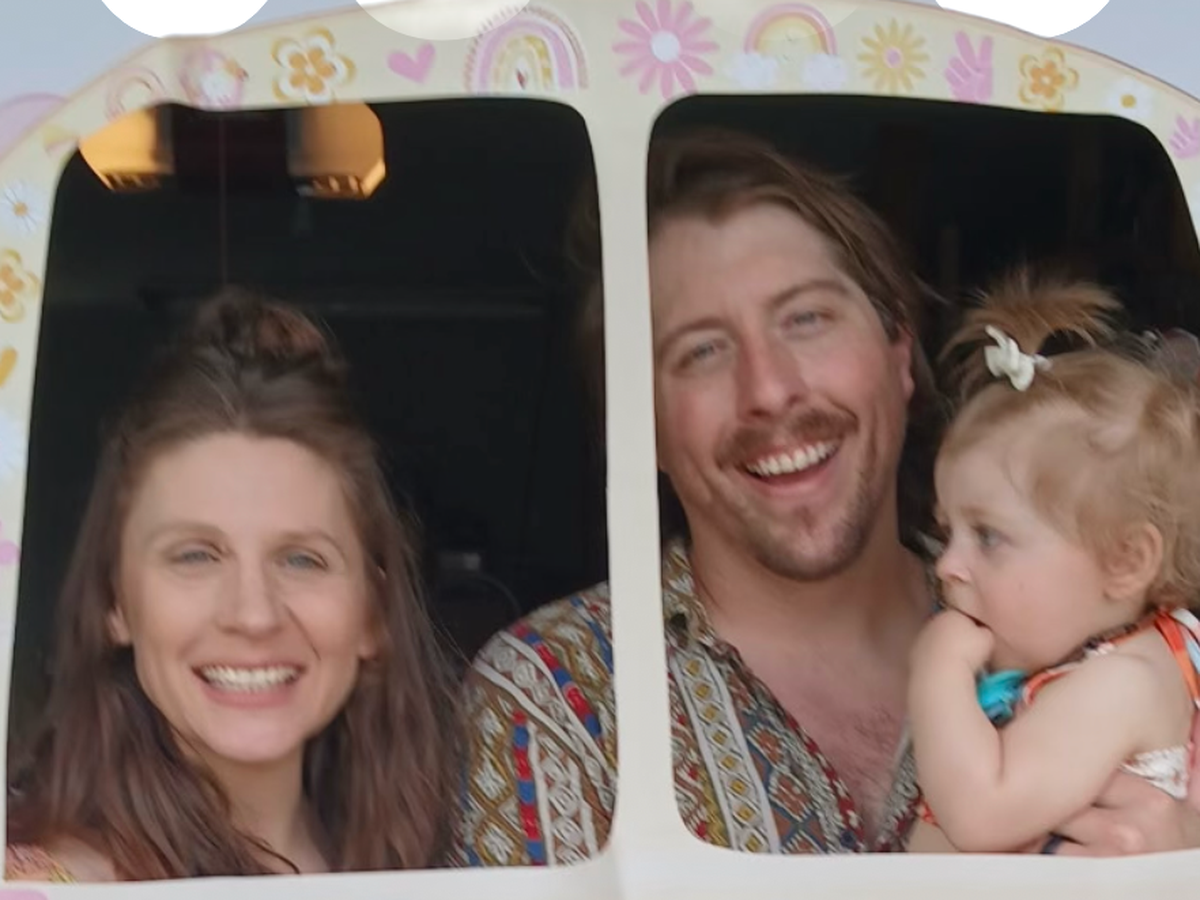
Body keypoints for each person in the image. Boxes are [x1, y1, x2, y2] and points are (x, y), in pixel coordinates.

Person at [451, 128, 1200, 863]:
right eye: (702, 350)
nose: (770, 389)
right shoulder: (554, 700)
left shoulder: (1116, 625)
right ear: (639, 424)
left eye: (806, 319)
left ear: (898, 352)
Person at [5, 288, 459, 881]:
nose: (253, 614)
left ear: (373, 612)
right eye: (196, 556)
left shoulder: (419, 870)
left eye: (302, 560)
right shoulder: (42, 887)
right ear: (116, 600)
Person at [908, 273, 1200, 854]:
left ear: (1125, 560)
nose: (948, 565)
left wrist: (934, 673)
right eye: (947, 533)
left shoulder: (1122, 683)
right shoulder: (1117, 660)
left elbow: (983, 814)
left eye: (988, 536)